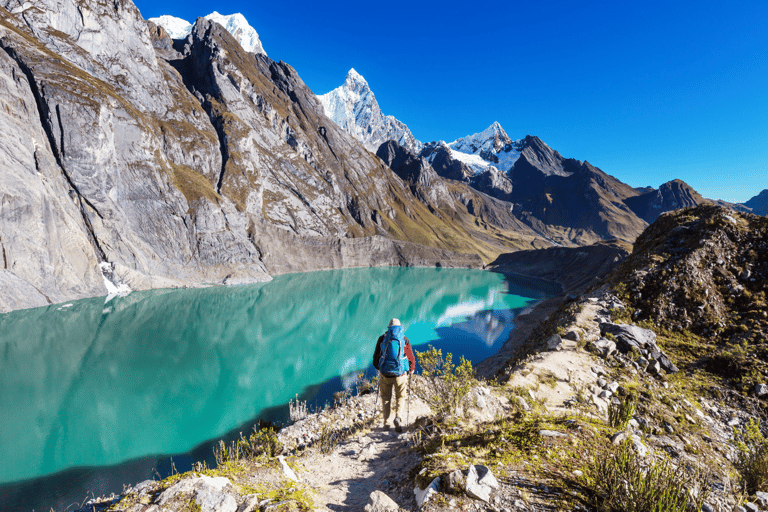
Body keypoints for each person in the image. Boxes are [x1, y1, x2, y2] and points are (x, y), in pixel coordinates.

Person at [373, 318, 415, 432]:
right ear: (399, 327)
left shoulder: (382, 339)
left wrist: (380, 368)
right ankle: (398, 417)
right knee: (400, 397)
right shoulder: (404, 339)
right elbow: (410, 357)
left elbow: (375, 358)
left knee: (386, 398)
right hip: (400, 375)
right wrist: (410, 370)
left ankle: (386, 424)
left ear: (389, 328)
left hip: (385, 374)